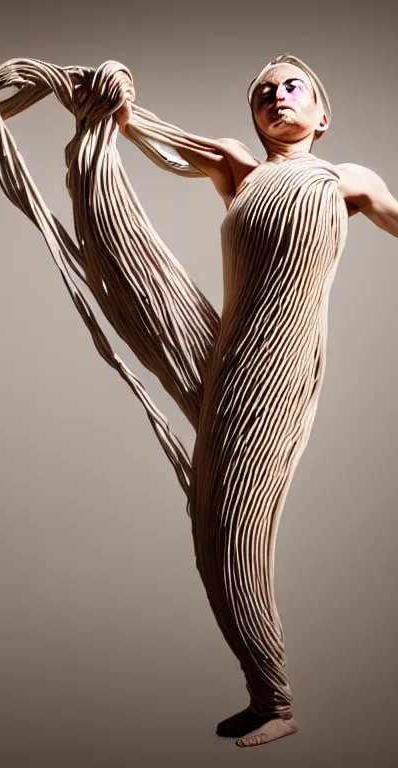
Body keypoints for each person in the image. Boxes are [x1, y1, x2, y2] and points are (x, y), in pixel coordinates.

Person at [116, 55, 398, 748]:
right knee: (211, 526)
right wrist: (112, 99)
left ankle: (277, 699)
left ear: (322, 116)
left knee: (240, 525)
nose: (276, 97)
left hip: (281, 366)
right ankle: (262, 689)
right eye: (263, 93)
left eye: (291, 87)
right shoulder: (239, 169)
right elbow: (142, 130)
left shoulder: (345, 178)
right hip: (226, 358)